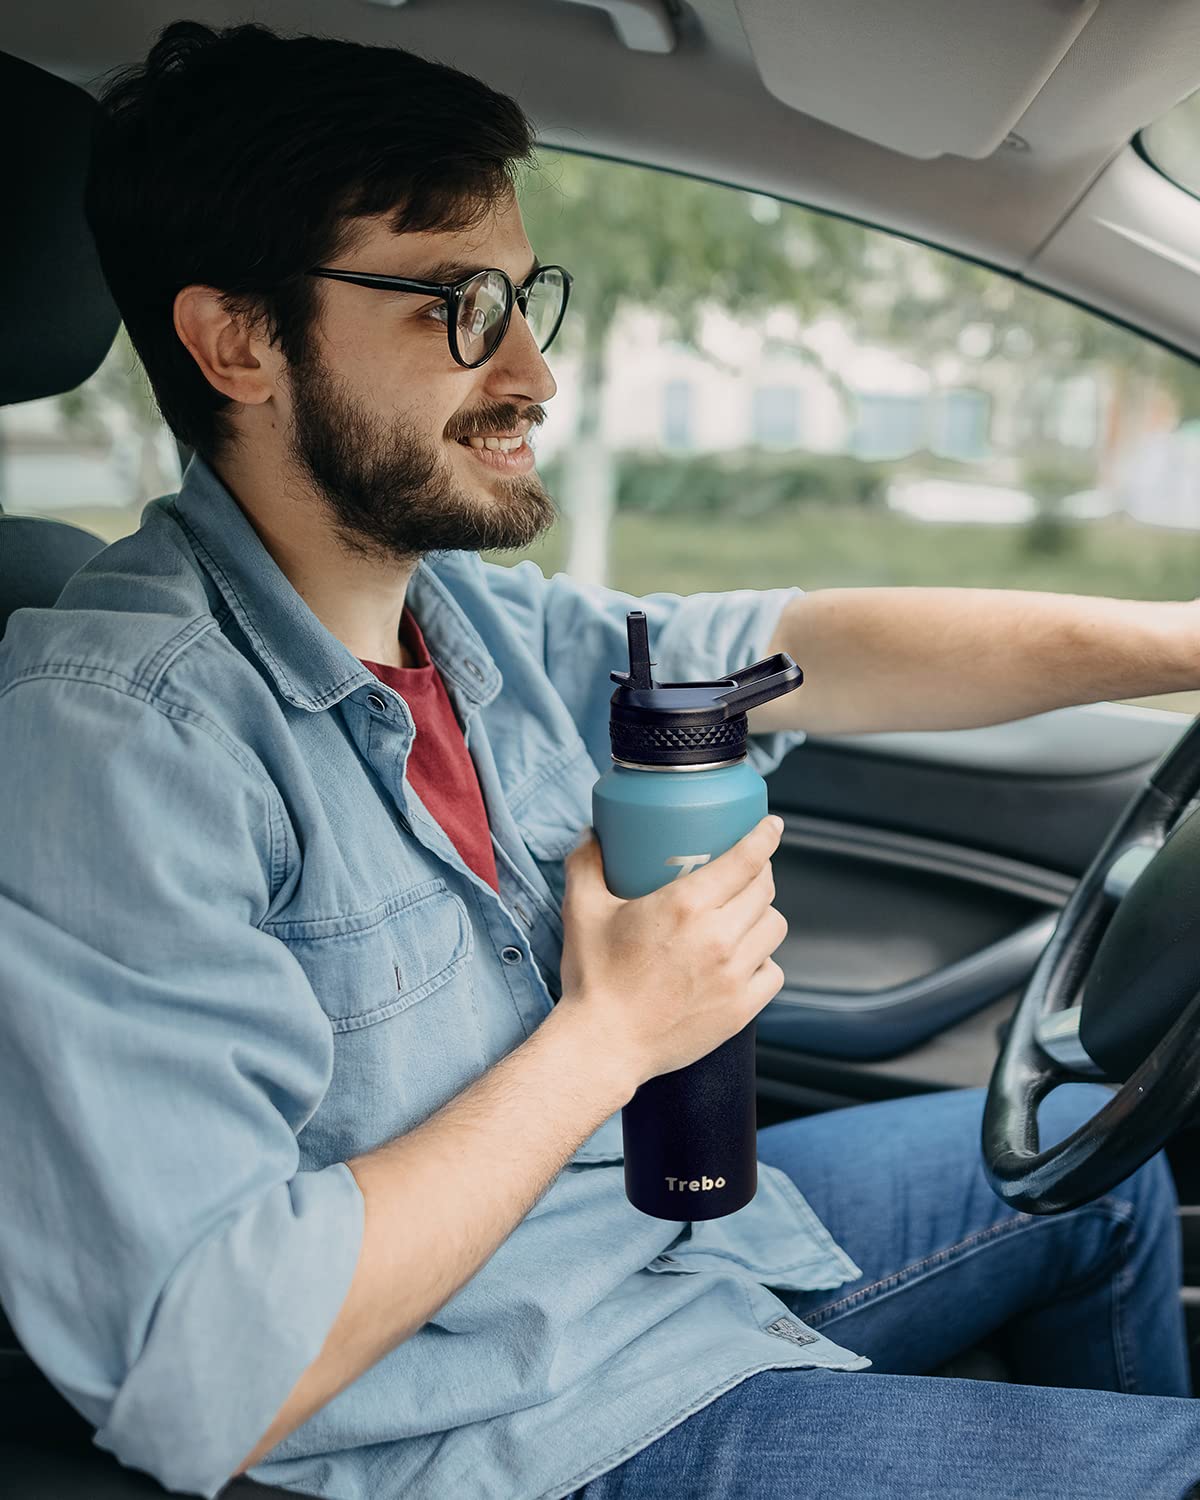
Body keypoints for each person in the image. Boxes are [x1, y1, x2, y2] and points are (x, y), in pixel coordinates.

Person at [1, 19, 1199, 1500]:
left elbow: (814, 643)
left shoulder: (471, 618)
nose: (532, 375)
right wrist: (615, 1030)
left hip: (647, 1253)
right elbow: (206, 1362)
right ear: (237, 341)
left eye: (523, 298)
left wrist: (1185, 640)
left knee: (1091, 1158)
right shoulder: (115, 739)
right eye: (457, 306)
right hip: (507, 1422)